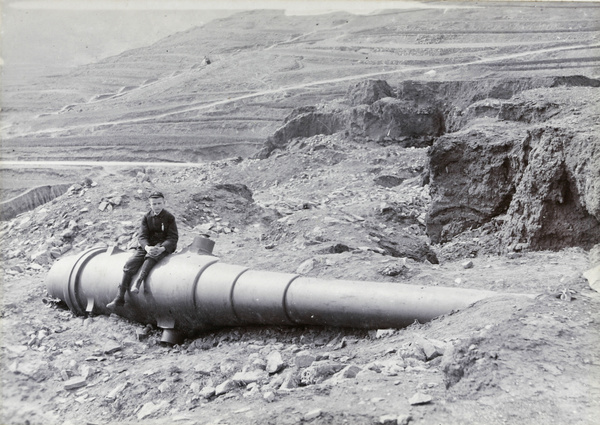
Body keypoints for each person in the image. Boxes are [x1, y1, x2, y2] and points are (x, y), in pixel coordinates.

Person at [107, 191, 178, 309]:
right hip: (148, 246)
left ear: (164, 203)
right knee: (129, 264)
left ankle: (138, 282)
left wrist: (162, 248)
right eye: (154, 204)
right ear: (150, 205)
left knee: (150, 258)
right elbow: (142, 236)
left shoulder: (169, 218)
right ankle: (119, 298)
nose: (157, 206)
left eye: (159, 203)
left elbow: (173, 237)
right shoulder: (146, 217)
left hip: (162, 246)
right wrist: (146, 247)